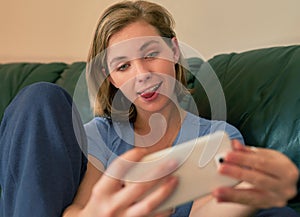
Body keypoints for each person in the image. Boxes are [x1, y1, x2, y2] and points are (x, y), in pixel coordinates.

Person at [0, 1, 299, 217]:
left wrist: (251, 192)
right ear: (111, 78)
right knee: (41, 96)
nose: (142, 74)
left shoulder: (216, 135)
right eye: (123, 65)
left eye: (151, 54)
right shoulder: (99, 136)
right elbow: (76, 211)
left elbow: (207, 211)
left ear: (174, 50)